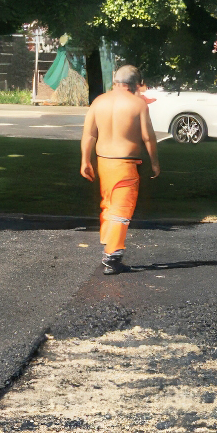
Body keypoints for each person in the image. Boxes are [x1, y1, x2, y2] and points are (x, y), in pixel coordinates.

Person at [80, 62, 161, 274]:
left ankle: (109, 242)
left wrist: (84, 160)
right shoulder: (138, 105)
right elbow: (148, 137)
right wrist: (154, 162)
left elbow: (89, 134)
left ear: (115, 82)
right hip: (126, 163)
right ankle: (112, 256)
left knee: (108, 204)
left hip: (103, 161)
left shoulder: (99, 102)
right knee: (121, 209)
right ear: (136, 84)